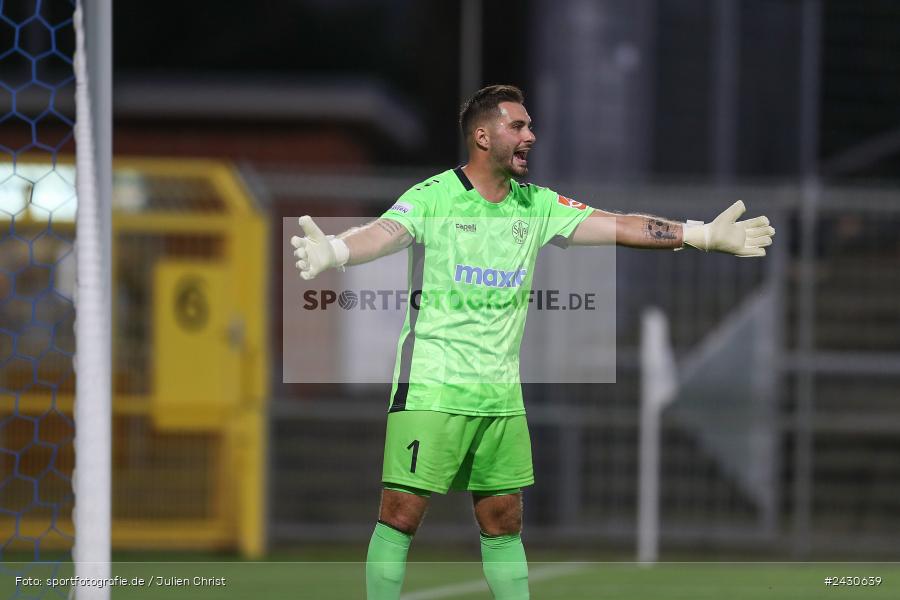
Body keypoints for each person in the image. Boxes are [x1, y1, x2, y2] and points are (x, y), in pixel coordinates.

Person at [290, 85, 775, 600]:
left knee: (503, 520)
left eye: (529, 126)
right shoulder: (433, 195)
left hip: (500, 396)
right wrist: (337, 249)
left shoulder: (536, 205)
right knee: (401, 513)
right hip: (432, 386)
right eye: (517, 127)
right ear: (482, 135)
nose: (531, 136)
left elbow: (617, 224)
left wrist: (699, 235)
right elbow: (387, 232)